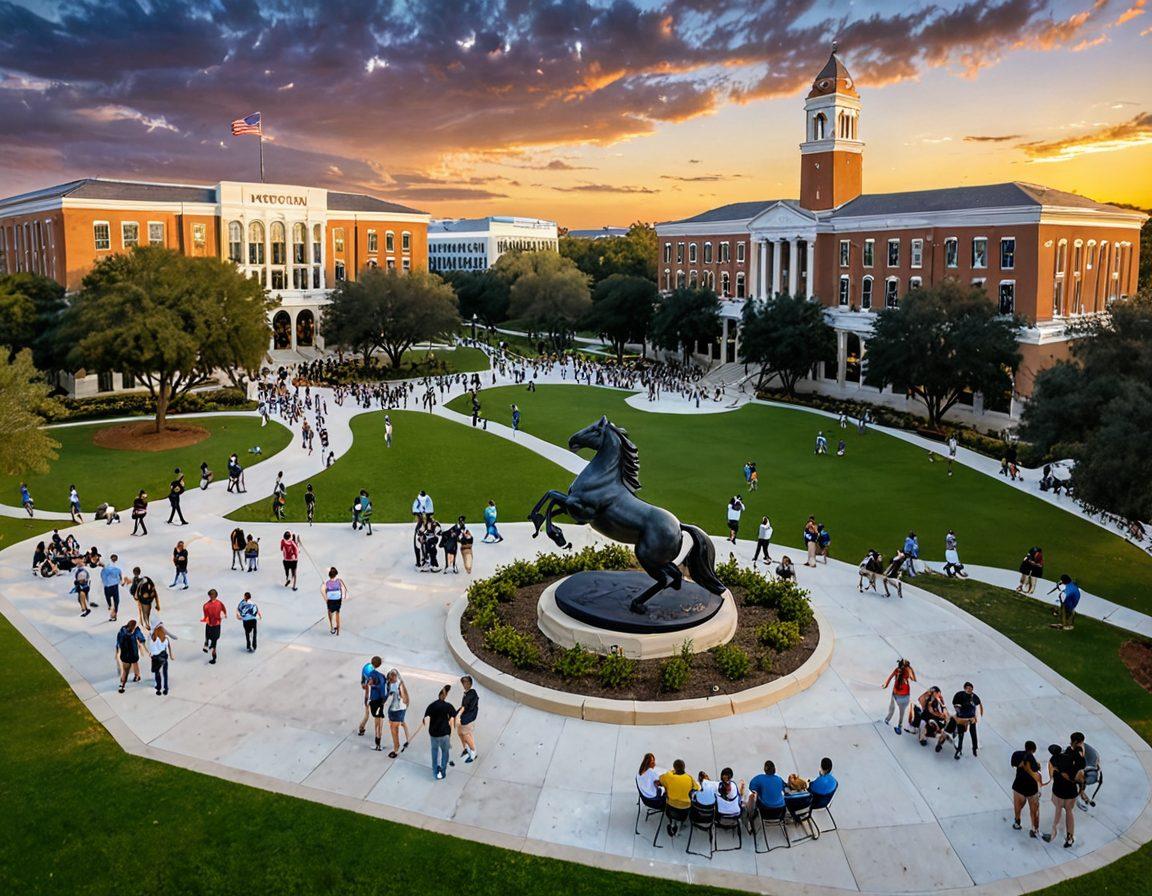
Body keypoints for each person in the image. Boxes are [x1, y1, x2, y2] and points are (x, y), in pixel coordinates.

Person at [1043, 743, 1082, 848]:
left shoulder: (1052, 761)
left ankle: (1052, 834)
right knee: (1069, 812)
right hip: (1071, 791)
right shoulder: (1069, 758)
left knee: (1058, 812)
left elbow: (1050, 776)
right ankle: (1070, 838)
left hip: (1058, 790)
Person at [418, 684, 458, 780]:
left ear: (439, 695)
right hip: (445, 734)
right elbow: (455, 716)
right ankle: (442, 771)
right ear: (445, 696)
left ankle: (435, 771)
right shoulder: (448, 706)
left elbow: (424, 719)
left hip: (434, 734)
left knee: (435, 752)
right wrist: (453, 725)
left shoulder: (431, 706)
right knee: (445, 752)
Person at [658, 759, 699, 837]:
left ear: (674, 768)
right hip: (685, 809)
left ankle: (672, 824)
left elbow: (660, 778)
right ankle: (678, 829)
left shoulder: (669, 777)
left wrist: (670, 772)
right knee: (681, 816)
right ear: (684, 768)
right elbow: (697, 788)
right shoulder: (689, 778)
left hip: (670, 807)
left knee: (672, 813)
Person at [1011, 740, 1043, 837]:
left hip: (1018, 785)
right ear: (1034, 750)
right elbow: (1036, 774)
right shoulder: (1033, 761)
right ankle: (1035, 830)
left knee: (1017, 805)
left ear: (1025, 747)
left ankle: (1017, 822)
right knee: (1034, 810)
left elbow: (1013, 764)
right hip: (1031, 788)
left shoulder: (1016, 754)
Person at [745, 760, 786, 833]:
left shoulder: (758, 779)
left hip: (766, 811)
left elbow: (751, 789)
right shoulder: (779, 779)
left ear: (765, 769)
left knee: (753, 797)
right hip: (780, 812)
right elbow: (784, 788)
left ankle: (751, 820)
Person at [883, 659, 917, 734]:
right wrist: (886, 684)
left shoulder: (902, 670)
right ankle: (894, 723)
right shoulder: (905, 670)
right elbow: (914, 679)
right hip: (900, 694)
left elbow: (890, 677)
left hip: (901, 695)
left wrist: (886, 684)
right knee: (898, 710)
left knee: (896, 709)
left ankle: (892, 722)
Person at [951, 682, 984, 759]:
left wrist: (978, 716)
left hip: (971, 718)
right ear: (964, 688)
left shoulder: (974, 697)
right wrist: (959, 713)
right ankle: (959, 750)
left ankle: (974, 749)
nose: (969, 689)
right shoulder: (959, 695)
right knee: (961, 735)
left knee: (973, 734)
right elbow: (955, 705)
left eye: (971, 688)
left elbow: (979, 705)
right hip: (962, 719)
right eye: (968, 688)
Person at [385, 668, 411, 757]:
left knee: (394, 729)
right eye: (389, 679)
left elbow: (405, 699)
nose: (390, 681)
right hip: (394, 709)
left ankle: (396, 748)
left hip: (398, 710)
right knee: (396, 726)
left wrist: (400, 686)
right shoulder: (394, 683)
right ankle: (406, 740)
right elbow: (389, 693)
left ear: (395, 677)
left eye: (391, 679)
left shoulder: (399, 684)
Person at [115, 618, 146, 693]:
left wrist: (117, 650)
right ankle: (137, 676)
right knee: (135, 663)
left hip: (125, 654)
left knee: (125, 670)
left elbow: (118, 641)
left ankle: (122, 685)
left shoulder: (122, 630)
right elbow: (142, 638)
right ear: (134, 627)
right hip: (133, 653)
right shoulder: (136, 631)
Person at [365, 660, 389, 751]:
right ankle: (379, 743)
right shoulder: (382, 675)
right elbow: (384, 687)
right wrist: (383, 699)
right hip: (381, 701)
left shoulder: (372, 674)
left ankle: (377, 744)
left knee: (377, 722)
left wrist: (372, 686)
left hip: (375, 700)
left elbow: (371, 683)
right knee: (380, 719)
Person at [357, 655, 382, 737]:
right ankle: (362, 728)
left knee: (367, 714)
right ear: (378, 665)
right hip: (370, 696)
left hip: (366, 695)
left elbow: (363, 682)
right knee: (374, 715)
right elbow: (373, 685)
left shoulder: (366, 666)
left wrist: (363, 684)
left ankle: (361, 728)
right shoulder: (373, 675)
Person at [201, 588, 227, 664]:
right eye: (210, 595)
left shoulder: (219, 604)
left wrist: (222, 617)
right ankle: (206, 645)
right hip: (210, 624)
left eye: (213, 595)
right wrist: (206, 619)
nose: (212, 596)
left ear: (216, 595)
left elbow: (224, 612)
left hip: (216, 625)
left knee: (214, 641)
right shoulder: (206, 605)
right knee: (207, 637)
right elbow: (206, 616)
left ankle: (213, 657)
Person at [457, 675, 479, 763]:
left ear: (470, 683)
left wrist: (458, 714)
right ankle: (466, 749)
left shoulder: (471, 694)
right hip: (464, 717)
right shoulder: (467, 692)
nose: (465, 684)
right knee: (460, 733)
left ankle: (473, 753)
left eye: (467, 682)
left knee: (466, 735)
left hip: (467, 718)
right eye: (463, 682)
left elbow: (466, 707)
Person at [100, 553, 125, 622]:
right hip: (111, 586)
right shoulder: (114, 567)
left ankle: (113, 614)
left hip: (110, 586)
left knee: (114, 602)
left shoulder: (112, 567)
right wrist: (121, 582)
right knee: (114, 601)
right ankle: (112, 612)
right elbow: (119, 576)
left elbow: (119, 575)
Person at [149, 623, 173, 695]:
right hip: (164, 656)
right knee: (165, 673)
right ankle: (165, 688)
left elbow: (151, 647)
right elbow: (168, 647)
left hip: (156, 658)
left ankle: (158, 688)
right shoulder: (166, 639)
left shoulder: (154, 638)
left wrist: (151, 653)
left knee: (157, 673)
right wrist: (171, 655)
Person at [323, 567, 347, 635]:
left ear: (329, 575)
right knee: (337, 613)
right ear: (336, 575)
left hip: (331, 601)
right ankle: (338, 630)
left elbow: (325, 591)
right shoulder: (339, 581)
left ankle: (332, 627)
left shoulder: (327, 583)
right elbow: (342, 590)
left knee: (329, 612)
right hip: (338, 600)